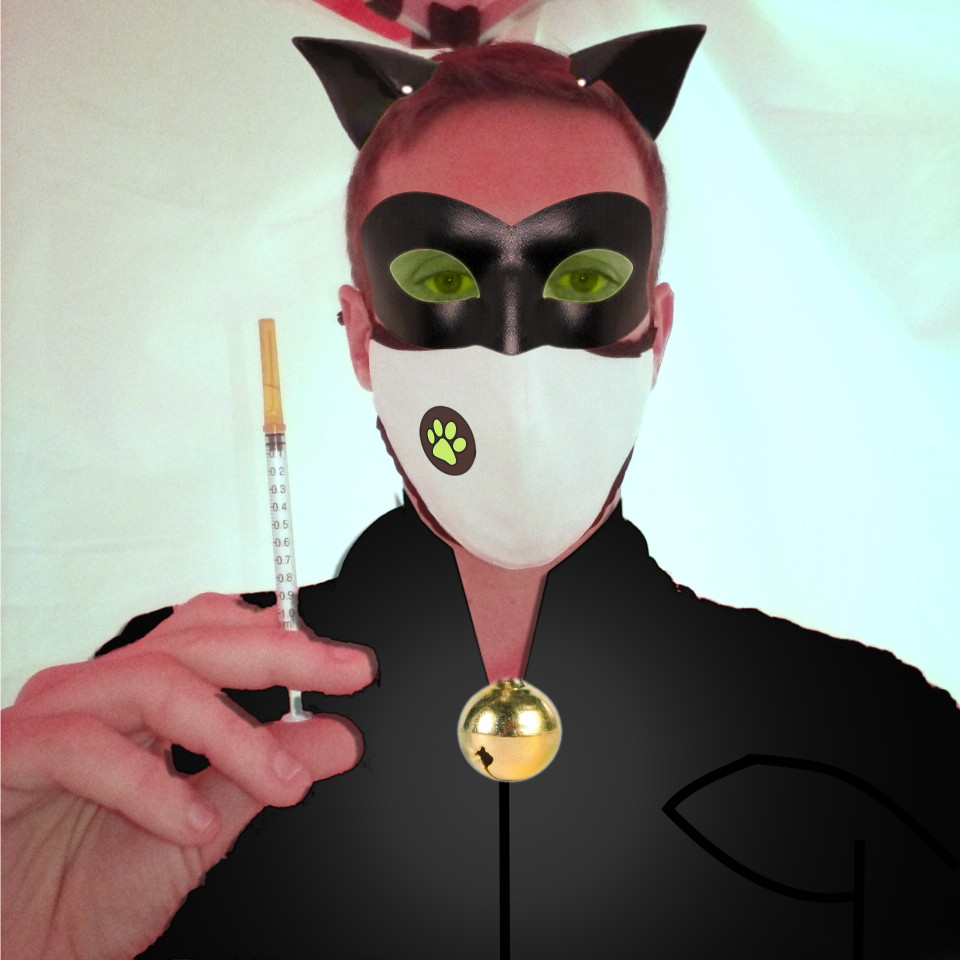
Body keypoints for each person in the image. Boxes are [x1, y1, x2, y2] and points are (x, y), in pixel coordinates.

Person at [3, 32, 958, 960]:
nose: (513, 352)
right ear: (359, 334)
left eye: (584, 275)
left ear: (655, 332)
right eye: (438, 277)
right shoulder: (171, 725)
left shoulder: (872, 739)